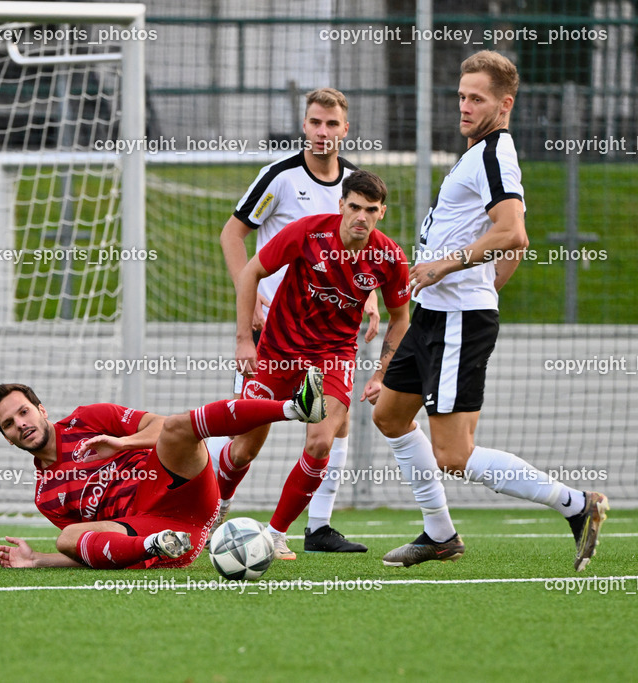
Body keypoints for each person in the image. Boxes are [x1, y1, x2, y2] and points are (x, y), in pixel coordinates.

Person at [371, 50, 608, 571]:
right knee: (388, 416)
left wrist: (449, 268)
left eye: (476, 99)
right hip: (434, 314)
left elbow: (514, 232)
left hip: (457, 321)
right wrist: (481, 281)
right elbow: (512, 247)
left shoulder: (496, 153)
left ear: (505, 105)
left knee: (453, 456)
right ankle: (440, 535)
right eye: (460, 96)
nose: (464, 106)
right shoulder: (477, 153)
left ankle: (577, 505)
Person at [212, 87, 380, 555]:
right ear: (303, 126)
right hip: (274, 334)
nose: (322, 132)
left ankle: (317, 528)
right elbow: (232, 234)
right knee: (246, 445)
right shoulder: (280, 177)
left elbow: (362, 252)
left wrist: (367, 297)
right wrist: (251, 301)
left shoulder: (356, 186)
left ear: (346, 129)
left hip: (329, 338)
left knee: (333, 428)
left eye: (331, 124)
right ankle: (211, 510)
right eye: (314, 123)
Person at [227, 170, 411, 561]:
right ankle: (216, 509)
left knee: (321, 440)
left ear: (382, 213)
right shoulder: (307, 232)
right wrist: (245, 341)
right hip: (277, 352)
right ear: (342, 205)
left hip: (332, 359)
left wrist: (380, 373)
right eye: (355, 207)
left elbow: (401, 317)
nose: (361, 216)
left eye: (371, 210)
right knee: (243, 448)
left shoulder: (390, 257)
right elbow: (251, 272)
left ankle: (276, 534)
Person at [0, 373, 324, 570]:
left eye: (24, 412)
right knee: (66, 537)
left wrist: (124, 444)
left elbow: (159, 426)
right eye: (9, 425)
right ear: (8, 439)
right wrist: (38, 560)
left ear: (41, 409)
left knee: (176, 425)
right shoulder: (46, 496)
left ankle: (295, 407)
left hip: (177, 487)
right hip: (155, 532)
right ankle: (156, 545)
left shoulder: (88, 418)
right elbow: (89, 548)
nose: (22, 424)